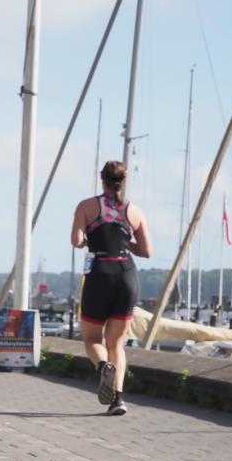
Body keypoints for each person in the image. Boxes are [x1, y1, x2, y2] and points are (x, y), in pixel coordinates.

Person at [71, 161, 152, 415]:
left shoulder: (86, 206)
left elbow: (77, 240)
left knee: (92, 339)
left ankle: (103, 366)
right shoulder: (135, 211)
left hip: (99, 274)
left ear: (102, 179)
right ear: (123, 182)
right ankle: (118, 400)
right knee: (117, 342)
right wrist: (125, 243)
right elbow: (147, 251)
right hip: (127, 275)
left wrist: (90, 237)